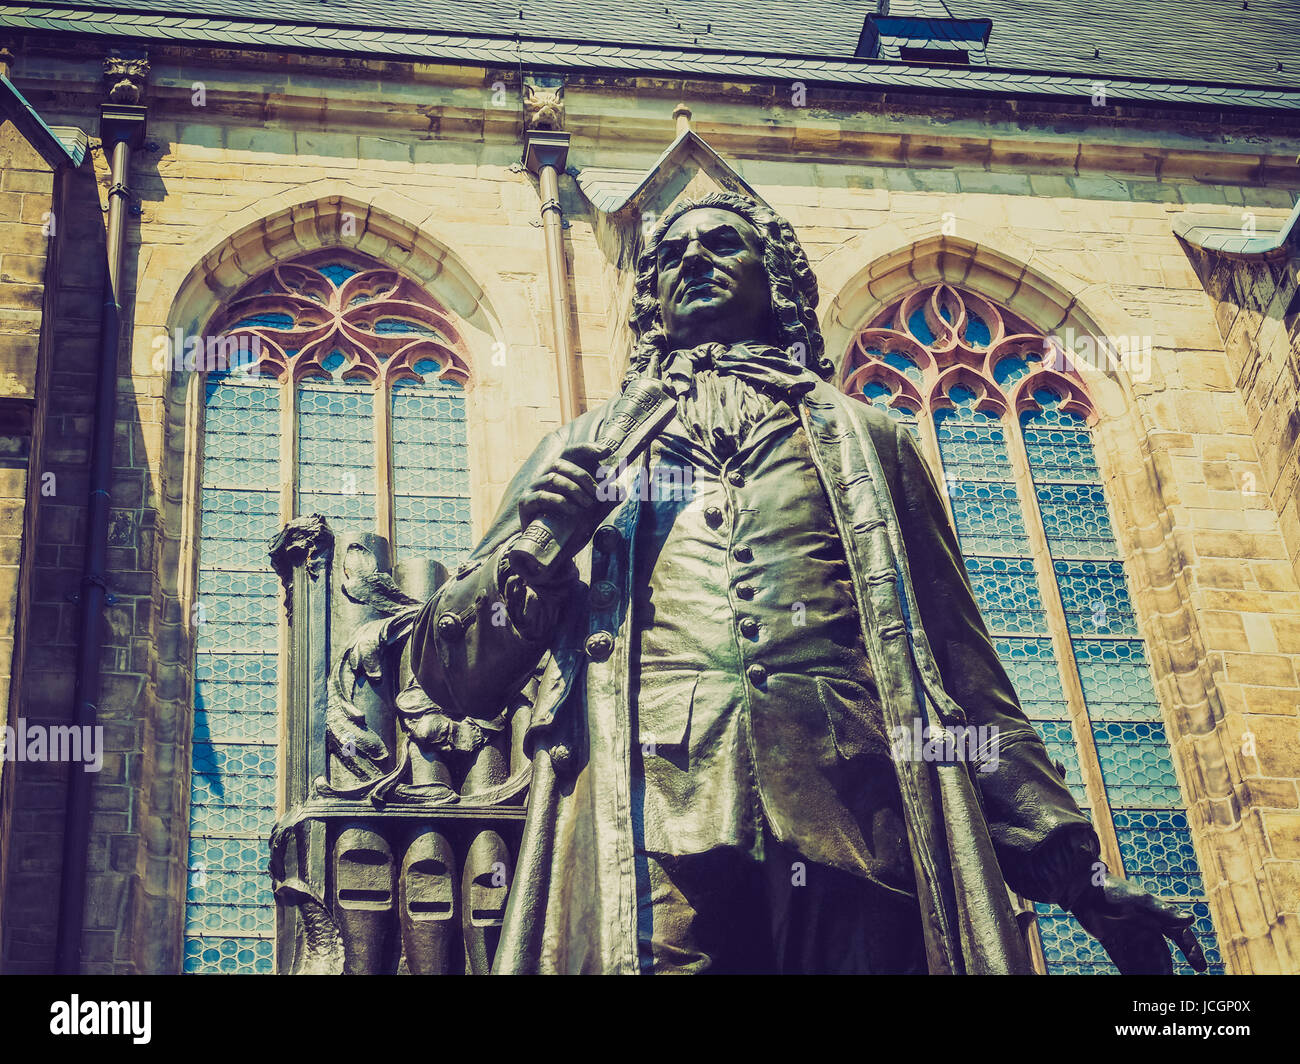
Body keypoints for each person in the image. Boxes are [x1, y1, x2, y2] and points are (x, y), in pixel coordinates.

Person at [409, 192, 1204, 975]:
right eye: (673, 254)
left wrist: (1079, 876)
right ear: (650, 301)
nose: (694, 259)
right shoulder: (583, 446)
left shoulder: (872, 441)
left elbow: (964, 674)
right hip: (648, 829)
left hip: (860, 821)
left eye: (722, 244)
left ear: (777, 283)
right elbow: (451, 673)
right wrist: (542, 559)